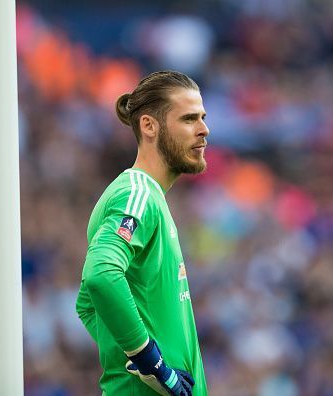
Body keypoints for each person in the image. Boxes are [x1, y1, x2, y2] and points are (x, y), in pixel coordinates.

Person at [76, 70, 209, 396]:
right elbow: (101, 275)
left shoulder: (149, 198)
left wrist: (125, 348)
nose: (204, 130)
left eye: (202, 118)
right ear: (149, 126)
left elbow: (87, 305)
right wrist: (150, 360)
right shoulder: (138, 195)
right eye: (189, 119)